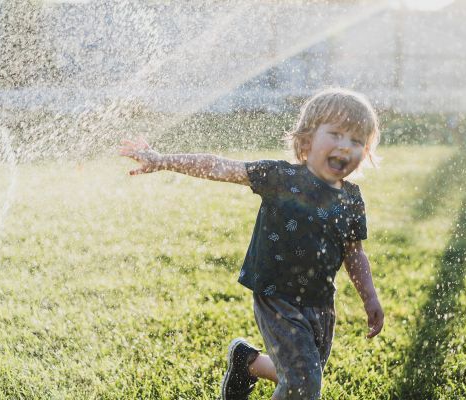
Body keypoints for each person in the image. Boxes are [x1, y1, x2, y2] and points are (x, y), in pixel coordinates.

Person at [119, 88, 384, 400]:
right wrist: (162, 160)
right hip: (277, 297)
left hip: (320, 303)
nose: (345, 146)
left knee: (304, 371)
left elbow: (354, 253)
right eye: (336, 134)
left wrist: (370, 298)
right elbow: (217, 166)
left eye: (355, 140)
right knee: (304, 382)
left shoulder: (351, 199)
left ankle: (247, 363)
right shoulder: (280, 176)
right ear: (307, 140)